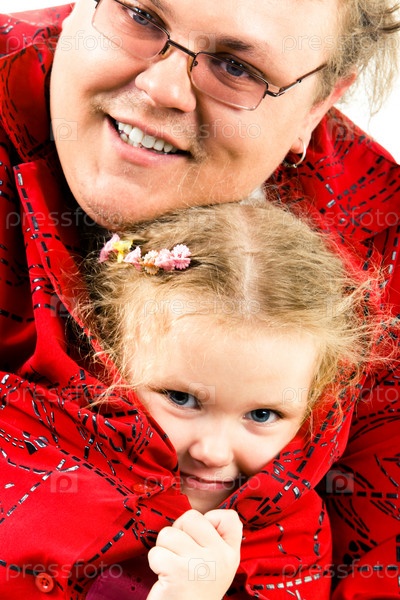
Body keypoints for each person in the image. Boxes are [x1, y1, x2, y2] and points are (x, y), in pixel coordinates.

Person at [0, 0, 399, 598]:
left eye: (238, 68)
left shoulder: (380, 254)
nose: (161, 87)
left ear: (318, 106)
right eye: (140, 15)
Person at [78, 200, 393, 600]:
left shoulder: (294, 542)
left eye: (261, 414)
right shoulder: (53, 470)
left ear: (314, 405)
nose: (212, 452)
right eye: (181, 398)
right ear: (111, 361)